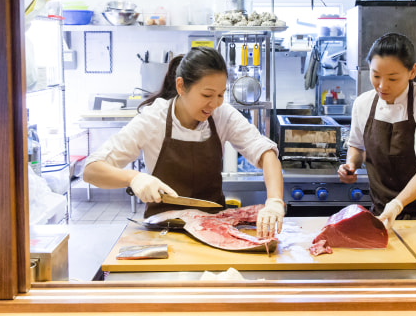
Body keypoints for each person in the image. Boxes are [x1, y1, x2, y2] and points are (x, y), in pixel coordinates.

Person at [83, 46, 284, 238]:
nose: (214, 104)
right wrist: (133, 178)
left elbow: (266, 153)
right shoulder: (154, 118)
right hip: (163, 230)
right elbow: (91, 170)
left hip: (214, 230)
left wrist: (274, 200)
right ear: (181, 86)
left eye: (221, 95)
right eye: (207, 95)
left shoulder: (222, 115)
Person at [337, 33, 416, 229]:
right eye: (376, 76)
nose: (382, 86)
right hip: (383, 217)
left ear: (412, 72)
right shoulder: (363, 103)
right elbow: (357, 147)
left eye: (392, 78)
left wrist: (397, 204)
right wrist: (350, 164)